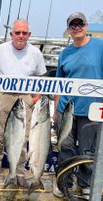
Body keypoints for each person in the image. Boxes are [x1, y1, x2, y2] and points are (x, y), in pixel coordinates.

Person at [0, 19, 47, 184]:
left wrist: (37, 97)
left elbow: (42, 77)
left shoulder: (35, 53)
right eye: (17, 32)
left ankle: (18, 172)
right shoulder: (0, 49)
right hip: (2, 95)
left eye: (24, 33)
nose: (20, 36)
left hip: (24, 96)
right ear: (11, 34)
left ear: (29, 35)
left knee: (22, 137)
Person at [52, 12, 103, 199]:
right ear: (68, 30)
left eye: (79, 24)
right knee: (65, 148)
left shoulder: (99, 45)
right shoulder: (64, 53)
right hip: (66, 110)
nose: (76, 28)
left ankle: (85, 183)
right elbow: (59, 83)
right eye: (72, 25)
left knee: (88, 150)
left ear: (86, 25)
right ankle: (64, 182)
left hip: (92, 108)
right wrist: (56, 110)